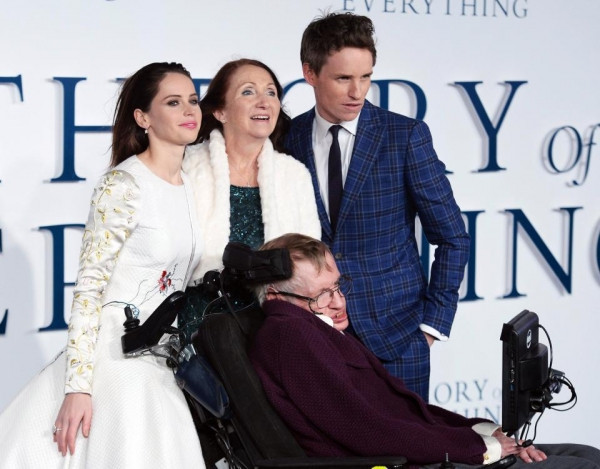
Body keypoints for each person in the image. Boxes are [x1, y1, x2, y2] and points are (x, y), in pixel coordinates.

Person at [0, 62, 205, 468]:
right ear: (143, 118)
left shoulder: (193, 184)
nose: (189, 110)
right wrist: (78, 387)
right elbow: (90, 288)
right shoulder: (123, 185)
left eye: (193, 100)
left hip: (164, 360)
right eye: (173, 102)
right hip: (117, 358)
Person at [249, 233, 600, 469]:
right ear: (278, 297)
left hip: (422, 452)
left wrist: (481, 432)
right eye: (321, 295)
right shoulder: (291, 336)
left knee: (587, 456)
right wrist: (480, 449)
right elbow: (368, 430)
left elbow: (405, 413)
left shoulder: (313, 329)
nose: (339, 302)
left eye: (338, 287)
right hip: (404, 462)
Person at [284, 11, 470, 400]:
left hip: (398, 341)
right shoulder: (289, 137)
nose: (358, 91)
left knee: (407, 442)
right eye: (343, 78)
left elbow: (453, 237)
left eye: (366, 77)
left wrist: (430, 328)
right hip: (314, 341)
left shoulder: (405, 136)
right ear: (310, 73)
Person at [178, 58, 320, 341]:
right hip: (198, 325)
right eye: (248, 91)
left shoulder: (294, 175)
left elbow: (309, 263)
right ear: (220, 111)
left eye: (271, 92)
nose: (264, 102)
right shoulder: (186, 167)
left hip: (274, 328)